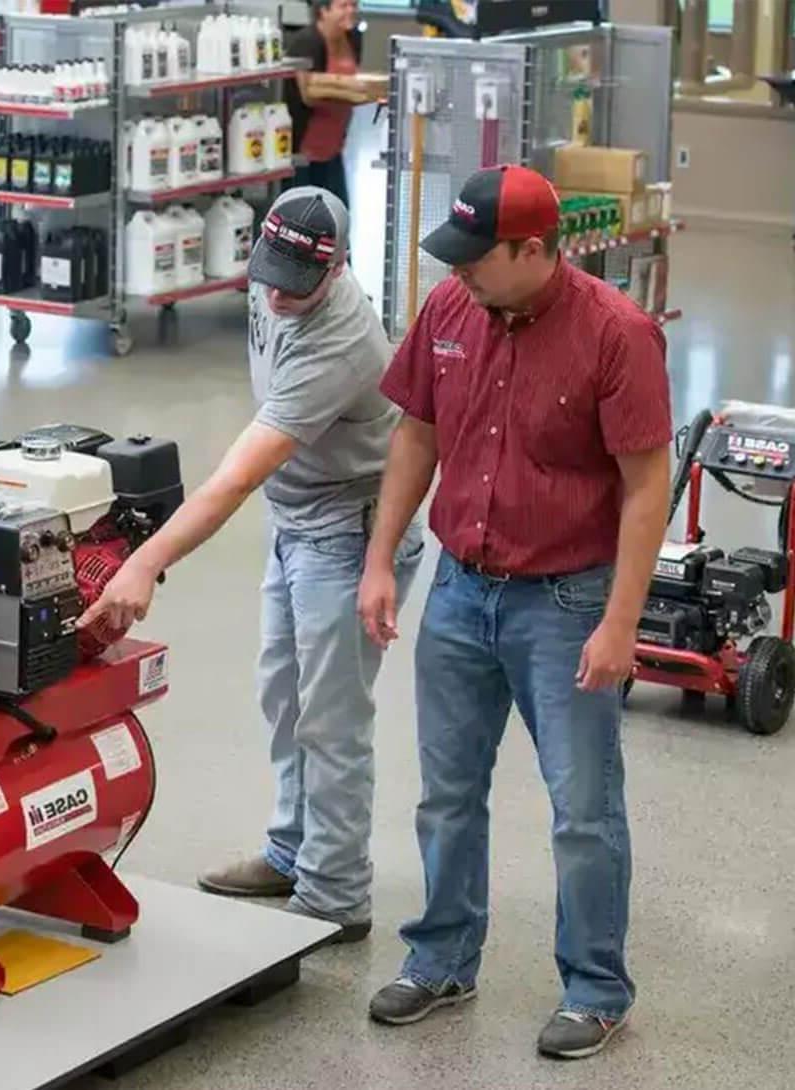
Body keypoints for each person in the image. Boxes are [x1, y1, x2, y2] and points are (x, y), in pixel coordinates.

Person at [357, 165, 671, 1059]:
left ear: (533, 251)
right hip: (459, 589)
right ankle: (444, 958)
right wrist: (383, 560)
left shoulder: (618, 334)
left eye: (476, 257)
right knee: (447, 795)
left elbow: (648, 486)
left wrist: (620, 622)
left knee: (581, 807)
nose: (457, 273)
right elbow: (416, 434)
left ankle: (597, 988)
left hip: (566, 602)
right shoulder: (451, 311)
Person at [78, 187, 422, 937]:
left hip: (349, 528)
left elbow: (236, 477)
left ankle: (335, 894)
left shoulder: (343, 338)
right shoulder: (275, 280)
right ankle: (294, 849)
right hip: (297, 515)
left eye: (294, 286)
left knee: (331, 719)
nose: (273, 295)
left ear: (337, 270)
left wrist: (144, 563)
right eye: (266, 275)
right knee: (285, 697)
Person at [284, 0, 372, 207]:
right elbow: (307, 95)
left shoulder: (353, 38)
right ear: (323, 11)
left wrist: (357, 91)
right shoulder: (306, 41)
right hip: (305, 149)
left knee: (338, 215)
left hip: (334, 146)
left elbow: (354, 83)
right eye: (343, 6)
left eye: (354, 5)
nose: (351, 11)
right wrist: (350, 89)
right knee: (305, 215)